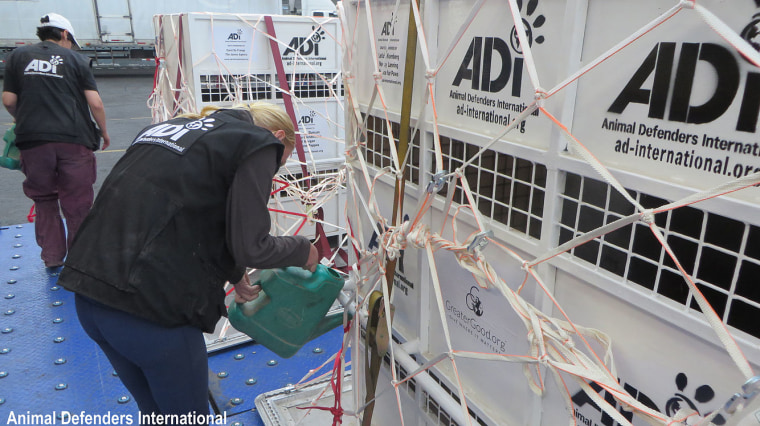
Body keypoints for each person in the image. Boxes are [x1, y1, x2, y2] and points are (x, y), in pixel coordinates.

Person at [58, 102, 319, 421]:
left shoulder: (164, 130)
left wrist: (235, 274)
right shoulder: (258, 143)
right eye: (280, 162)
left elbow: (187, 209)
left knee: (154, 413)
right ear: (278, 137)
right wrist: (303, 248)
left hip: (90, 297)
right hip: (152, 316)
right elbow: (254, 246)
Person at [2, 13, 110, 268]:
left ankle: (52, 257)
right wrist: (104, 132)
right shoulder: (76, 59)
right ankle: (79, 261)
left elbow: (8, 100)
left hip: (33, 141)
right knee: (77, 201)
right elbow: (95, 102)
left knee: (44, 199)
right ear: (64, 34)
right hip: (74, 140)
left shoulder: (18, 56)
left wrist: (25, 120)